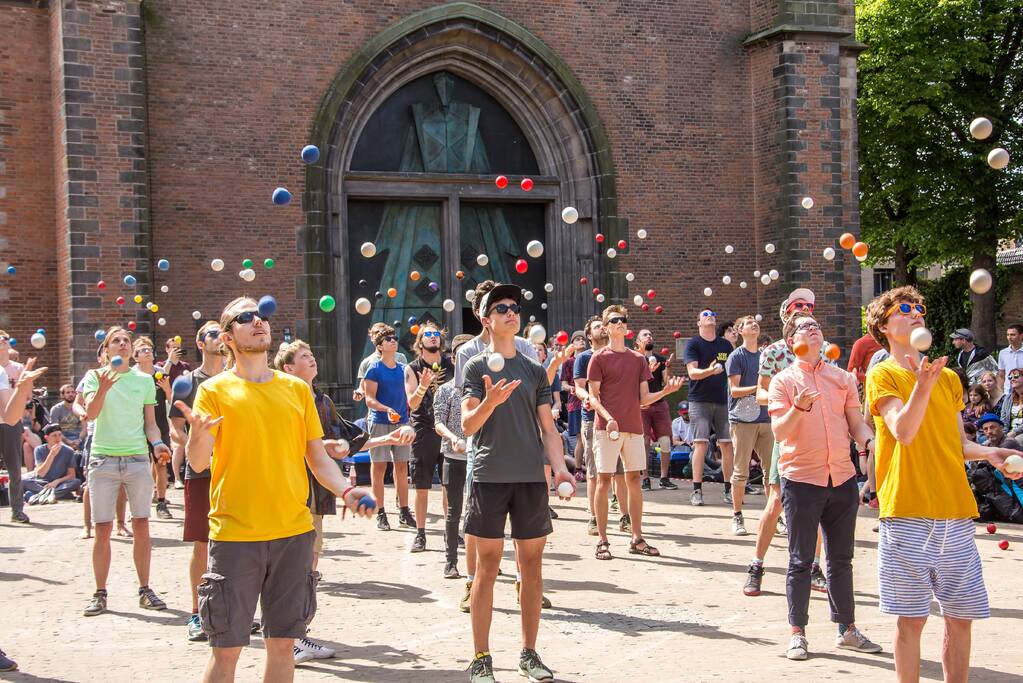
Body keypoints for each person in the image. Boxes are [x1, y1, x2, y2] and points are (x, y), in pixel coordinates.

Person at [178, 297, 375, 683]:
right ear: (227, 337)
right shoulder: (213, 390)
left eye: (263, 316)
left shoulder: (296, 390)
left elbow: (317, 459)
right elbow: (199, 462)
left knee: (283, 645)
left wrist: (346, 491)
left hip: (293, 533)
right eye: (246, 317)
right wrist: (196, 436)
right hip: (236, 535)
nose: (258, 322)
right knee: (227, 650)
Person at [864, 286, 1022, 683]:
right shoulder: (883, 373)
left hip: (955, 510)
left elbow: (957, 443)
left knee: (961, 617)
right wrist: (922, 384)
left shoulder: (948, 377)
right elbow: (903, 430)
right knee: (912, 620)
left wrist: (990, 454)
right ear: (883, 326)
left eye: (919, 307)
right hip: (907, 511)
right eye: (903, 308)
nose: (915, 313)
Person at [461, 283, 573, 683]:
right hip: (490, 476)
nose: (511, 312)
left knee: (532, 567)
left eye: (515, 307)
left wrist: (559, 468)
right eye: (501, 308)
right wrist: (490, 403)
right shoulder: (475, 369)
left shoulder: (534, 370)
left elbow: (549, 428)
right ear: (487, 320)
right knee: (486, 568)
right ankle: (481, 658)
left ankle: (528, 653)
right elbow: (468, 425)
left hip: (529, 478)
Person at [274, 338, 411, 664]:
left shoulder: (321, 401)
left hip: (318, 491)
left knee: (310, 564)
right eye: (304, 356)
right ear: (288, 367)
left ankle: (297, 634)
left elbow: (346, 441)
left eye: (311, 354)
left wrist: (387, 437)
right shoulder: (277, 399)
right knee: (289, 567)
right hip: (287, 490)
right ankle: (286, 637)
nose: (312, 359)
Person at [769, 315, 882, 661]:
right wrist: (799, 409)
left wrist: (869, 442)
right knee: (801, 560)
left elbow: (855, 422)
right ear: (791, 342)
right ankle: (797, 633)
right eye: (803, 325)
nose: (812, 327)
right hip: (802, 479)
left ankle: (846, 629)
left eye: (815, 323)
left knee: (841, 559)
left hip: (842, 478)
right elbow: (780, 432)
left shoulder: (842, 378)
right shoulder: (782, 382)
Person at [81, 326, 170, 617]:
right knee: (103, 529)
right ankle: (100, 593)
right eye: (115, 341)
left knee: (142, 525)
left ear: (131, 349)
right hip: (103, 461)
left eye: (126, 341)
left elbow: (150, 422)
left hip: (135, 459)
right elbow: (91, 415)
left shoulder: (144, 380)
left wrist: (157, 443)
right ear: (105, 350)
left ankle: (145, 590)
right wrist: (104, 388)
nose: (121, 344)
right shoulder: (95, 377)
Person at [747, 289, 827, 597]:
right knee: (776, 502)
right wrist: (789, 400)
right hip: (789, 433)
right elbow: (760, 394)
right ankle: (757, 565)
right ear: (785, 315)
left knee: (819, 506)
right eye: (797, 306)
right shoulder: (774, 353)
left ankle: (815, 566)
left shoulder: (824, 348)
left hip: (819, 437)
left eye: (809, 306)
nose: (804, 310)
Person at [588, 305, 682, 560]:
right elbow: (593, 398)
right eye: (614, 320)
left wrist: (666, 392)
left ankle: (637, 538)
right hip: (607, 430)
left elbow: (643, 399)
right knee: (604, 480)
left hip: (633, 428)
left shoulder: (638, 359)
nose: (620, 323)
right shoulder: (598, 358)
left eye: (623, 320)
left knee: (634, 481)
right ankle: (603, 540)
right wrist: (609, 419)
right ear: (606, 328)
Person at [168, 321, 226, 642]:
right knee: (202, 543)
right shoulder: (186, 382)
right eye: (213, 333)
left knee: (237, 541)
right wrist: (191, 442)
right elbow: (175, 428)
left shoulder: (236, 380)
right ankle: (196, 613)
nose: (220, 338)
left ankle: (231, 609)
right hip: (201, 471)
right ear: (200, 343)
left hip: (233, 470)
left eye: (222, 332)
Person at [574, 316, 628, 536]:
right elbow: (579, 387)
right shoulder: (584, 357)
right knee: (595, 472)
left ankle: (625, 517)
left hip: (620, 419)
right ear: (589, 336)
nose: (602, 329)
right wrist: (588, 398)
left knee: (621, 473)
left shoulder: (621, 354)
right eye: (597, 327)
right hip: (592, 419)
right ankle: (594, 517)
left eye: (602, 326)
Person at [405, 321, 453, 552]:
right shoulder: (412, 367)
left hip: (448, 431)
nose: (433, 337)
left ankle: (450, 532)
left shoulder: (451, 364)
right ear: (420, 341)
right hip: (424, 430)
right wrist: (423, 386)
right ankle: (421, 534)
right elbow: (412, 403)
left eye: (436, 334)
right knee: (421, 487)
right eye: (428, 335)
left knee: (449, 486)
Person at [363, 324, 414, 532]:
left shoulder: (404, 369)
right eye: (388, 339)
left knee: (402, 467)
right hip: (380, 422)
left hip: (402, 423)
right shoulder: (374, 368)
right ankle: (380, 512)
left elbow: (412, 395)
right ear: (380, 346)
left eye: (394, 338)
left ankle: (403, 510)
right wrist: (387, 409)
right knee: (379, 467)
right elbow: (369, 399)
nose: (393, 340)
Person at [726, 316, 774, 536]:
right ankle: (737, 516)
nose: (754, 324)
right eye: (748, 323)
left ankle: (775, 516)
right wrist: (758, 388)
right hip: (743, 421)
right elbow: (734, 391)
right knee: (740, 472)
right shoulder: (737, 356)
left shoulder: (767, 356)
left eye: (755, 322)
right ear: (740, 331)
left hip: (767, 419)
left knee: (772, 473)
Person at [684, 309, 735, 505]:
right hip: (699, 400)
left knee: (727, 445)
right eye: (705, 315)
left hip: (723, 401)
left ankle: (729, 490)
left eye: (713, 314)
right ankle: (697, 491)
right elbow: (692, 373)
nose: (710, 316)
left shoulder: (725, 345)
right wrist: (710, 371)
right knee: (701, 443)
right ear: (699, 323)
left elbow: (733, 372)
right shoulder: (694, 344)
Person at [435, 334, 474, 579]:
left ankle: (482, 558)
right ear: (453, 358)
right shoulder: (446, 390)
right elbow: (439, 422)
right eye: (461, 353)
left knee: (480, 511)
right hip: (454, 456)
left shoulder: (483, 388)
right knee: (454, 510)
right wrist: (454, 439)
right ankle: (451, 561)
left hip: (481, 458)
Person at [131, 337, 173, 519]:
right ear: (136, 356)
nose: (147, 352)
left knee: (161, 462)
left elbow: (171, 399)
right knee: (139, 465)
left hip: (159, 423)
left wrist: (166, 388)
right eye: (143, 350)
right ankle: (138, 503)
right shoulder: (132, 375)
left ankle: (162, 502)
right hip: (138, 424)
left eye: (149, 349)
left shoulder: (160, 372)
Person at [635, 328, 677, 491]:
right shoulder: (635, 359)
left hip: (659, 403)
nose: (649, 337)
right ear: (637, 342)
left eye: (650, 335)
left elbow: (667, 381)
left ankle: (664, 478)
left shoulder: (660, 359)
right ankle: (645, 478)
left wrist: (669, 366)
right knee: (644, 441)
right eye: (645, 335)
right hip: (641, 405)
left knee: (665, 441)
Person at [0, 329, 31, 523]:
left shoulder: (18, 369)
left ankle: (17, 510)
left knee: (15, 468)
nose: (1, 341)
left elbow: (27, 396)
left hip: (11, 422)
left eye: (3, 338)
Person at [23, 423, 81, 504]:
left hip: (59, 483)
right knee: (22, 480)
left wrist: (56, 482)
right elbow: (41, 473)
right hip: (42, 482)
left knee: (76, 482)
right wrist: (51, 455)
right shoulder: (39, 450)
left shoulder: (68, 451)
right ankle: (60, 495)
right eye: (54, 435)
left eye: (59, 435)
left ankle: (36, 496)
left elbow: (72, 475)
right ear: (46, 438)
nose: (57, 438)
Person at [48, 384, 83, 449]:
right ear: (62, 395)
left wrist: (79, 440)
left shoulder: (81, 408)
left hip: (79, 437)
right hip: (62, 437)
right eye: (68, 392)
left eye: (73, 392)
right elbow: (55, 429)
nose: (71, 394)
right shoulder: (56, 409)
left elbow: (85, 428)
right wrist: (68, 442)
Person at [996, 323, 1023, 395]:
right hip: (1008, 393)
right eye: (1008, 335)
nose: (1009, 337)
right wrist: (1001, 392)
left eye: (1013, 335)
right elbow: (1001, 375)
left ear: (1021, 336)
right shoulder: (1003, 353)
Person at [999, 368, 1023, 438]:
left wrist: (1015, 432)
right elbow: (1003, 420)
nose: (1012, 379)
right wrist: (1002, 435)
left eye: (1016, 376)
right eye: (1010, 377)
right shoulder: (1008, 398)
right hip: (1010, 433)